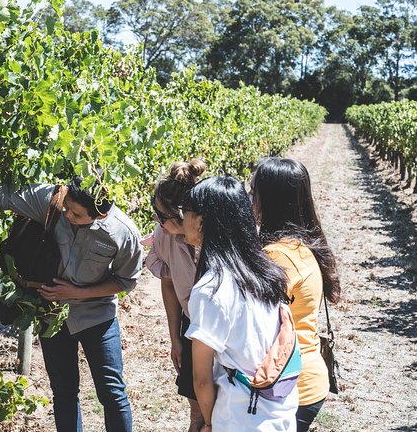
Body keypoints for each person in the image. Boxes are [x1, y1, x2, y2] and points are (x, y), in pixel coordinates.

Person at [0, 175, 143, 432]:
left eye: (77, 214)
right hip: (51, 315)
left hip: (97, 315)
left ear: (100, 215)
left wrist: (78, 292)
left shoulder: (123, 232)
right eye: (67, 208)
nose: (68, 215)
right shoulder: (52, 202)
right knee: (64, 392)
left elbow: (125, 281)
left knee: (112, 393)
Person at [181, 175, 298, 432]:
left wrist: (210, 422)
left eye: (184, 212)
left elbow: (202, 380)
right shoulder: (265, 272)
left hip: (241, 418)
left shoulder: (211, 290)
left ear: (200, 222)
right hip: (279, 411)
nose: (182, 220)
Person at [249, 157, 341, 432]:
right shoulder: (301, 247)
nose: (251, 201)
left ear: (269, 200)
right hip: (306, 377)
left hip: (290, 384)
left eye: (254, 193)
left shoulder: (278, 256)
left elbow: (254, 323)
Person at [144, 159, 206, 432]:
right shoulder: (164, 236)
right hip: (192, 327)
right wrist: (176, 338)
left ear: (184, 217)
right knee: (197, 409)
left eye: (161, 216)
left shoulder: (218, 236)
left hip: (225, 329)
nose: (158, 222)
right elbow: (168, 282)